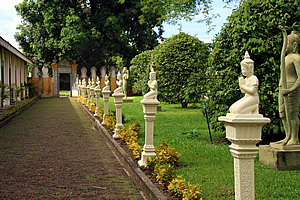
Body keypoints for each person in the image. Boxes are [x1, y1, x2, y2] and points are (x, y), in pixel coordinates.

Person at [277, 30, 300, 145]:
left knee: (291, 113)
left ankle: (294, 138)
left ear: (294, 45)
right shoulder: (285, 58)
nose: (284, 46)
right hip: (283, 88)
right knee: (282, 113)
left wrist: (290, 89)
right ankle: (287, 136)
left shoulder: (296, 58)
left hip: (291, 88)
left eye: (287, 44)